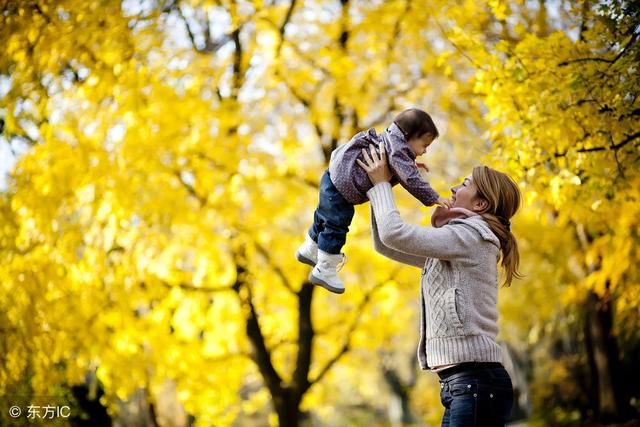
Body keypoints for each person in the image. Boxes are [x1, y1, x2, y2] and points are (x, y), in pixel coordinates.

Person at [358, 140, 522, 427]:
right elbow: (386, 244)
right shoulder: (457, 242)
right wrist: (382, 184)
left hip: (476, 384)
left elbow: (394, 233)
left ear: (480, 204)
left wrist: (382, 184)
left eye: (464, 184)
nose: (454, 189)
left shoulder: (471, 237)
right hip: (464, 386)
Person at [295, 108, 451, 294]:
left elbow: (399, 164)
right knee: (337, 224)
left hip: (331, 178)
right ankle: (325, 268)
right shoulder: (398, 150)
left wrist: (413, 164)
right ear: (408, 136)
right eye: (424, 145)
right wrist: (433, 197)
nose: (425, 151)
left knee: (324, 217)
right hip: (344, 187)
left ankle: (310, 249)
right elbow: (410, 179)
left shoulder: (389, 140)